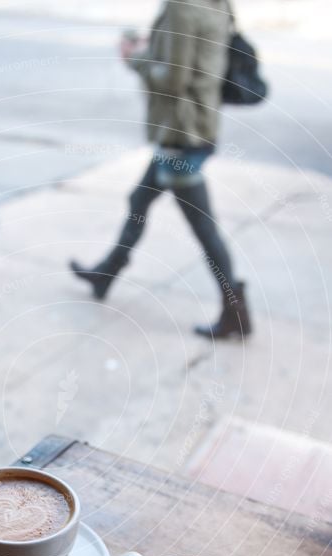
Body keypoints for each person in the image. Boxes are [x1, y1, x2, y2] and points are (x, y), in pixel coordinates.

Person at [70, 0, 251, 339]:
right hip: (197, 126)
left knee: (203, 227)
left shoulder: (182, 6)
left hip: (181, 134)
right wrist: (152, 46)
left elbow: (174, 78)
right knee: (139, 200)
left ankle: (236, 313)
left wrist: (134, 58)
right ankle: (106, 273)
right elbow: (195, 56)